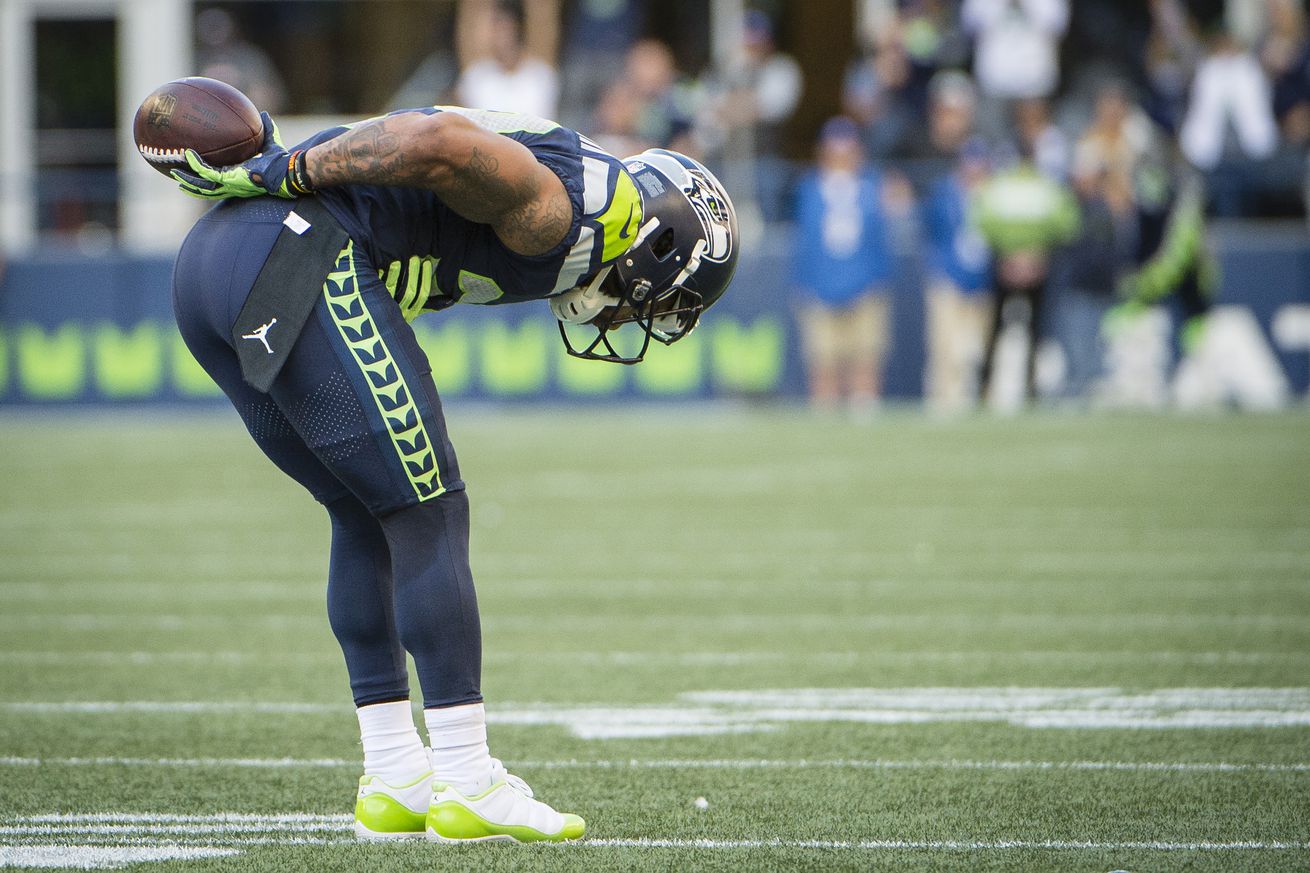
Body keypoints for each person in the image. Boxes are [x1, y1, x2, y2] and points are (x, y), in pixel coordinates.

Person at [163, 101, 738, 842]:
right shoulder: (581, 214)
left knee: (364, 509)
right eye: (665, 299)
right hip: (296, 252)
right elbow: (439, 141)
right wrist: (297, 165)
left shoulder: (578, 207)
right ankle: (468, 781)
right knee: (426, 509)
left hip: (210, 268)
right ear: (659, 246)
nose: (637, 317)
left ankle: (395, 774)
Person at [791, 117, 895, 410]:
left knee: (866, 357)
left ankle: (864, 411)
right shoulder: (809, 188)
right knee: (822, 360)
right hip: (820, 287)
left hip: (865, 285)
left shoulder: (873, 186)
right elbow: (807, 243)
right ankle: (826, 414)